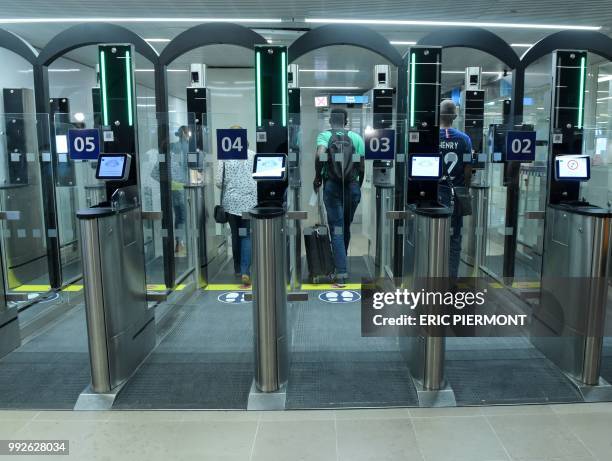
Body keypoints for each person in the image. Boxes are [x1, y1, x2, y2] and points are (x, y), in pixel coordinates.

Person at [313, 108, 365, 286]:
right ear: (346, 121)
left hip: (332, 186)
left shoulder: (325, 136)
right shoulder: (356, 138)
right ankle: (340, 260)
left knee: (337, 227)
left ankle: (341, 272)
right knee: (345, 226)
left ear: (330, 121)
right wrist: (357, 183)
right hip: (352, 187)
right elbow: (360, 163)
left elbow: (320, 155)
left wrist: (318, 177)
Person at [215, 126, 258, 286]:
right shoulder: (254, 155)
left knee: (235, 234)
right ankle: (246, 271)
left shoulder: (224, 158)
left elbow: (219, 182)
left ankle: (238, 268)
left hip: (231, 203)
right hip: (250, 202)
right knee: (246, 235)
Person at [438, 99, 473, 280]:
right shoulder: (464, 139)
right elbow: (468, 168)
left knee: (434, 233)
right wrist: (464, 189)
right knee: (455, 236)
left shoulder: (433, 137)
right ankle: (451, 277)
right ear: (455, 116)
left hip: (436, 193)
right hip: (456, 193)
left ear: (439, 114)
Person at [151, 125, 191, 255]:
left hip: (174, 190)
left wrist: (167, 183)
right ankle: (180, 242)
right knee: (182, 217)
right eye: (187, 134)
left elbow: (155, 173)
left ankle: (178, 243)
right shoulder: (181, 151)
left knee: (177, 217)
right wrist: (170, 183)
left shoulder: (172, 154)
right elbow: (155, 173)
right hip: (180, 190)